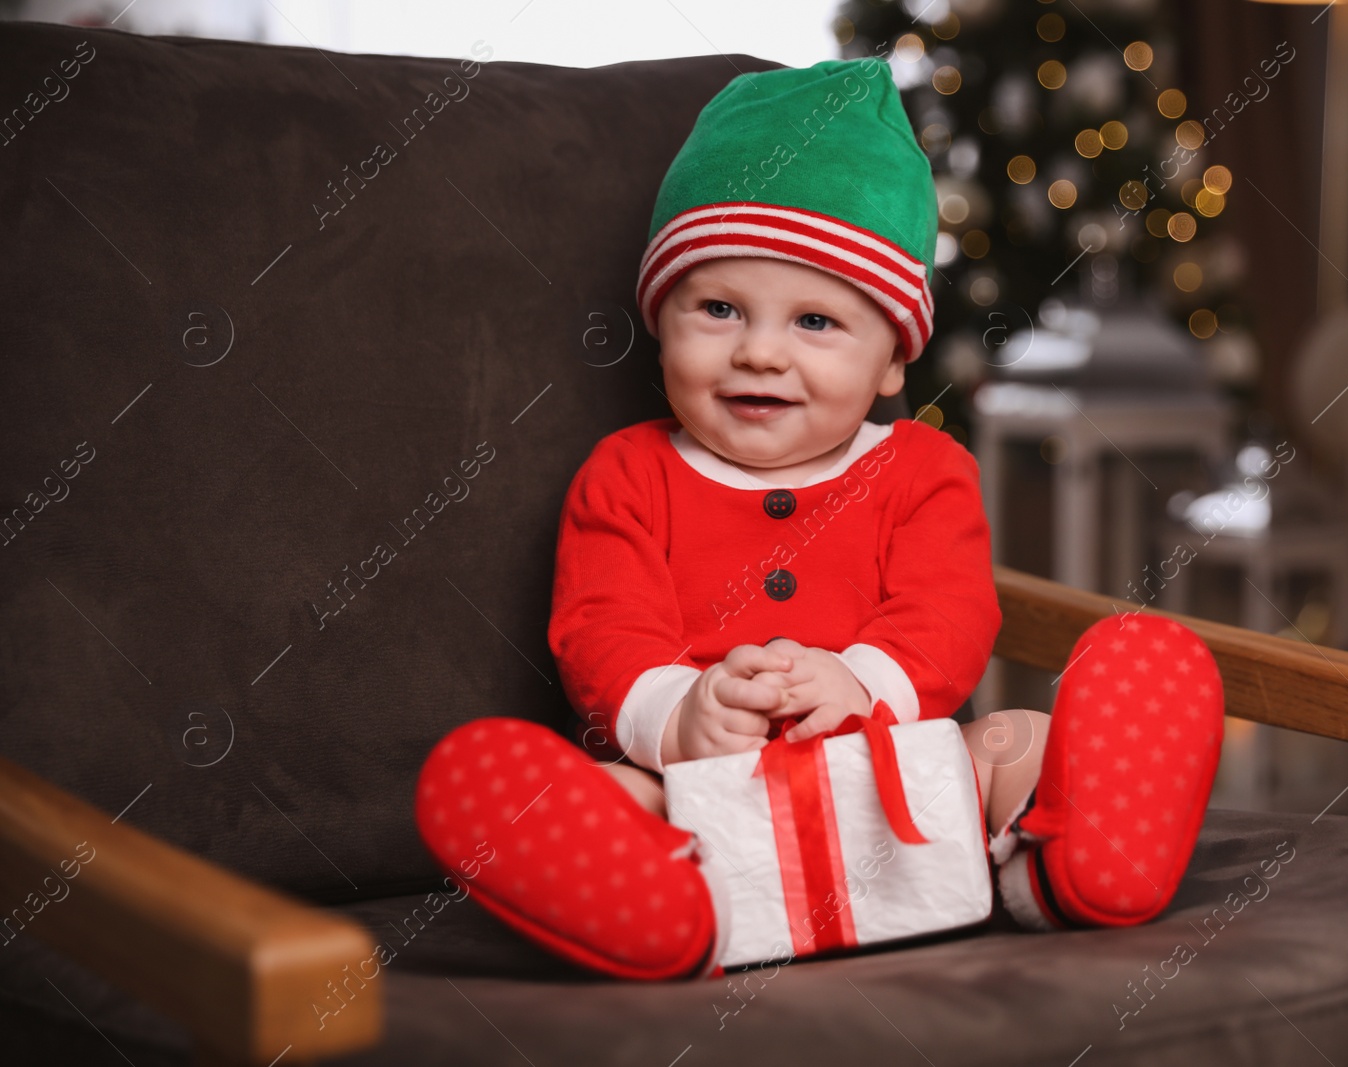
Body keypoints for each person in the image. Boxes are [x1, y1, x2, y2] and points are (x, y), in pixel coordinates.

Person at [414, 57, 1224, 982]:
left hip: (900, 770)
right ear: (662, 319)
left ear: (891, 362)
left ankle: (1059, 870)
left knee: (1017, 744)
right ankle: (674, 908)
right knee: (602, 791)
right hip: (700, 787)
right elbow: (600, 629)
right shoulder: (628, 475)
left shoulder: (923, 470)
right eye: (717, 308)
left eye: (815, 323)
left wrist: (859, 680)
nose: (759, 350)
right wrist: (684, 717)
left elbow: (948, 612)